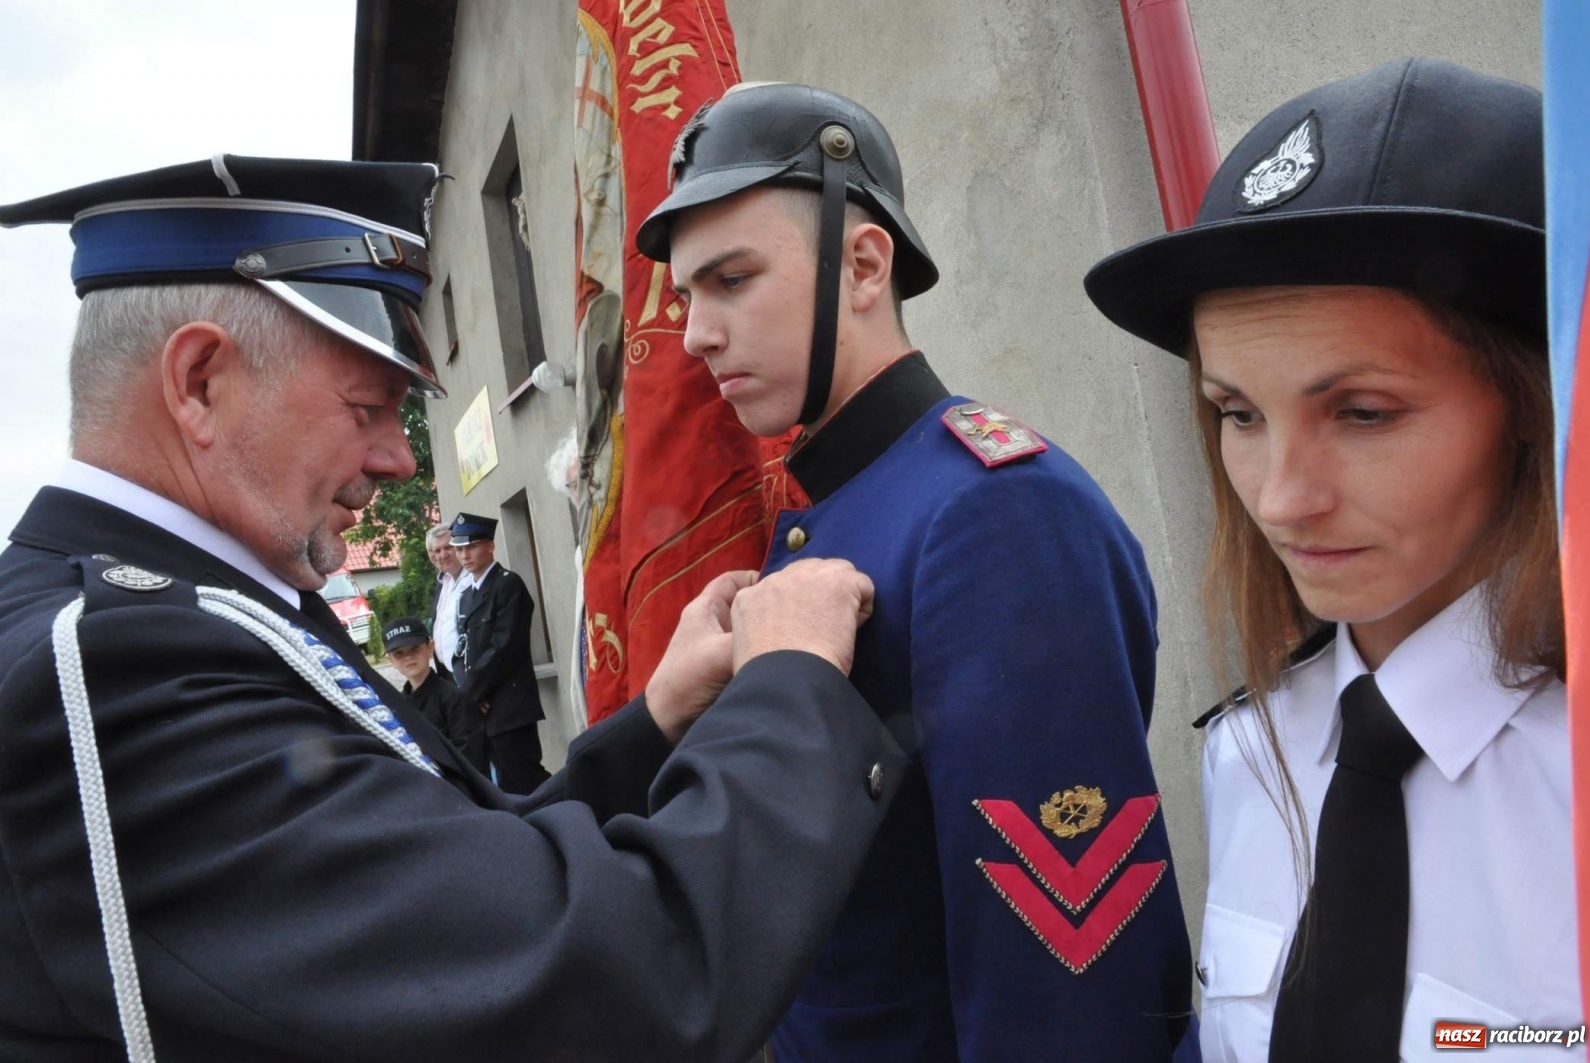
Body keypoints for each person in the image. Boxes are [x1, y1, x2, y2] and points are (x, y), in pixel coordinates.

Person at [0, 154, 911, 1063]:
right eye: (369, 406)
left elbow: (468, 876)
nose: (401, 459)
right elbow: (596, 983)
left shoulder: (208, 614)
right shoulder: (109, 664)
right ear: (201, 381)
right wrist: (792, 685)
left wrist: (660, 718)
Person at [636, 83, 1195, 1061]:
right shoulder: (848, 505)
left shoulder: (996, 510)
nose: (695, 334)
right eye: (687, 296)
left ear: (861, 264)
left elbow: (1066, 959)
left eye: (731, 280)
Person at [1084, 58, 1582, 1061]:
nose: (1278, 496)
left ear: (1532, 402)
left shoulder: (1580, 778)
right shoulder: (1248, 754)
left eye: (1361, 413)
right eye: (1238, 414)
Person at [448, 511, 550, 792]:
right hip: (482, 709)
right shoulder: (466, 596)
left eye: (471, 546)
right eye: (459, 548)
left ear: (490, 546)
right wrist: (467, 692)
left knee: (526, 780)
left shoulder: (508, 584)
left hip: (509, 706)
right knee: (503, 787)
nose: (464, 555)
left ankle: (571, 817)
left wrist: (472, 693)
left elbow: (505, 647)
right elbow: (460, 650)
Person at [382, 614, 489, 774]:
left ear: (430, 647)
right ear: (390, 660)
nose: (408, 657)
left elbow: (470, 759)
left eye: (415, 648)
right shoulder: (397, 705)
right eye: (399, 653)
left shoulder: (454, 698)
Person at [425, 521, 466, 675]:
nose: (442, 555)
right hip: (448, 675)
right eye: (436, 550)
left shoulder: (473, 582)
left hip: (471, 676)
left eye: (448, 547)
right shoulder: (443, 583)